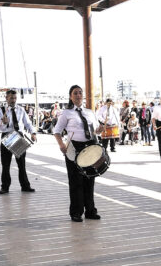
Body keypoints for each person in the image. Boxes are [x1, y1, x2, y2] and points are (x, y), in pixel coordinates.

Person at [53, 85, 101, 222]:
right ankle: (76, 212)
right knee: (75, 182)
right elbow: (57, 131)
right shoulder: (66, 113)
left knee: (89, 180)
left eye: (80, 93)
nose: (79, 95)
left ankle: (90, 210)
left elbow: (95, 131)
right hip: (74, 148)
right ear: (70, 96)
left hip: (90, 146)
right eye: (75, 93)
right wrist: (61, 145)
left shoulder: (90, 112)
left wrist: (100, 130)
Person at [0, 90, 37, 195]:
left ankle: (25, 186)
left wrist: (33, 133)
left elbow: (27, 122)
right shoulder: (1, 110)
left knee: (21, 164)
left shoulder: (20, 109)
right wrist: (5, 123)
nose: (13, 100)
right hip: (7, 136)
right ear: (6, 98)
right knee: (6, 164)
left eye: (15, 98)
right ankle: (4, 187)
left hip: (18, 136)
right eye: (11, 98)